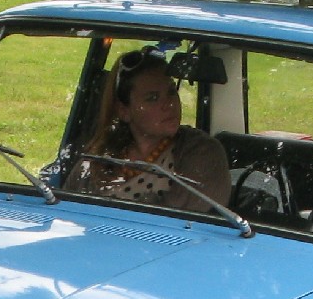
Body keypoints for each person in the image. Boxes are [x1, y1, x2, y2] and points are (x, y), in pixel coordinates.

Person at [63, 49, 231, 214]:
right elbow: (64, 212)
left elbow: (177, 224)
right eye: (153, 98)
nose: (169, 104)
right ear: (124, 111)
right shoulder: (100, 158)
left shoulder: (201, 152)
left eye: (171, 92)